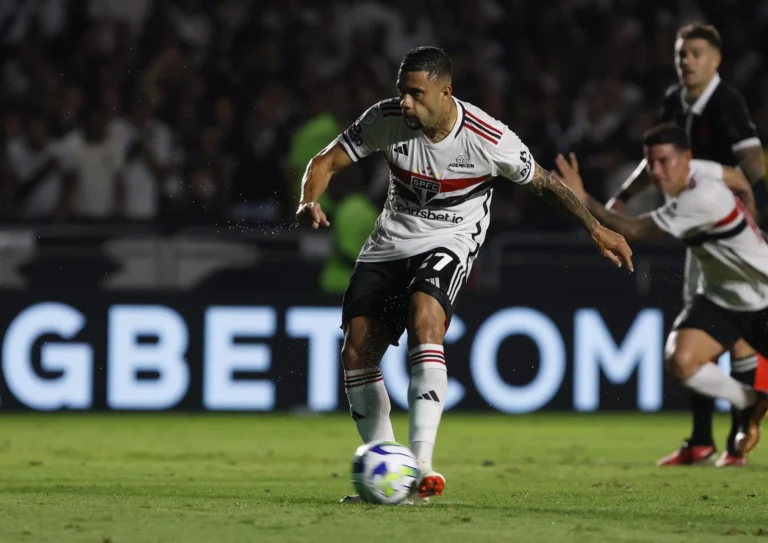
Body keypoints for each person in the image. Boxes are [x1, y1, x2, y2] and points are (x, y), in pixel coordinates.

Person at [295, 46, 633, 503]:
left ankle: (421, 466)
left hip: (450, 238)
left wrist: (595, 228)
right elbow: (325, 161)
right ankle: (388, 470)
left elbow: (545, 184)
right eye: (402, 92)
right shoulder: (385, 118)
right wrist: (308, 200)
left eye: (416, 94)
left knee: (425, 319)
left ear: (445, 92)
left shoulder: (487, 137)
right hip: (391, 239)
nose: (405, 102)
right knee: (357, 349)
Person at [605, 23, 767, 467]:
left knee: (736, 332)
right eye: (681, 54)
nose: (687, 61)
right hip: (699, 233)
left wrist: (756, 214)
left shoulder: (726, 101)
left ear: (716, 60)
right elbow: (656, 155)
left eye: (696, 53)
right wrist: (623, 196)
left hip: (728, 230)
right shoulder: (676, 100)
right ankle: (705, 438)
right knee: (709, 328)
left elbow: (751, 160)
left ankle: (732, 435)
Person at [555, 123, 767, 460]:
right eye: (651, 162)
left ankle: (737, 425)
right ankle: (750, 401)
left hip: (762, 294)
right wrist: (750, 218)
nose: (656, 171)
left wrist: (582, 198)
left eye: (664, 161)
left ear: (686, 158)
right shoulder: (701, 171)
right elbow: (740, 180)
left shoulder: (701, 199)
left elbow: (633, 230)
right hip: (723, 295)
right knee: (681, 360)